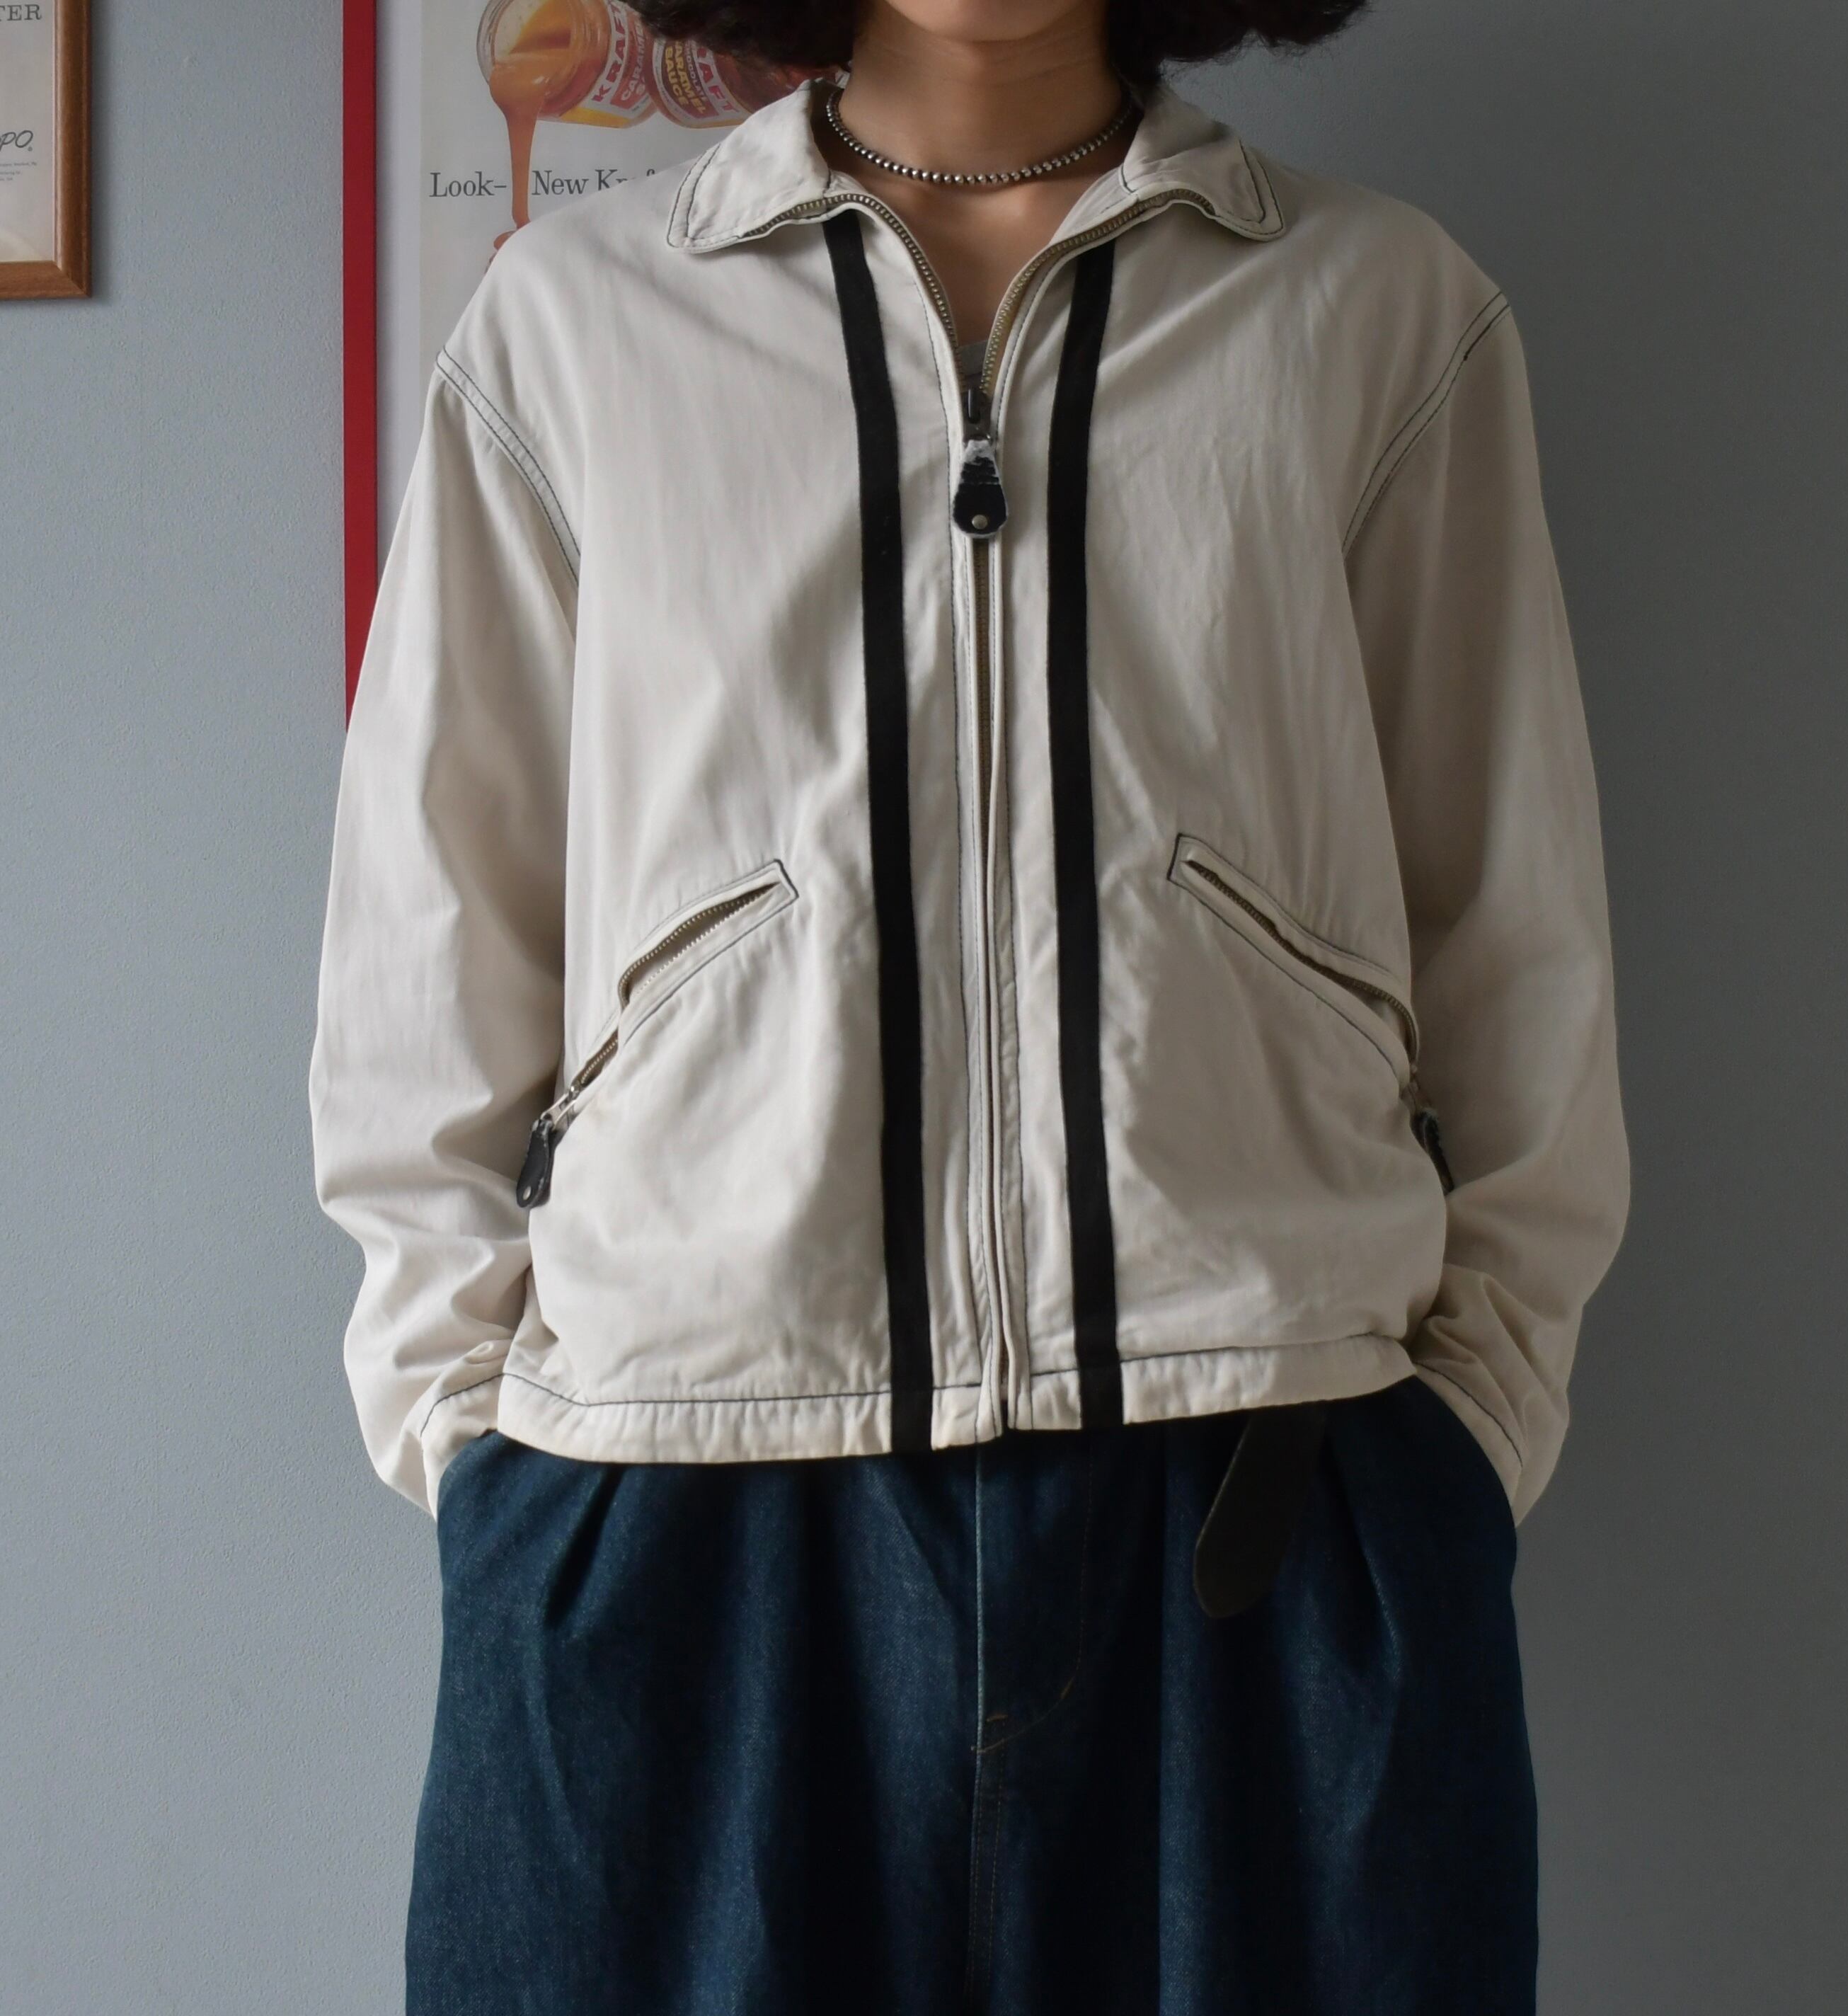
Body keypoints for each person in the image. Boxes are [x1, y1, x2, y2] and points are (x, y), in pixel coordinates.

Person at [309, 0, 1632, 2008]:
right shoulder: (574, 328)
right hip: (680, 1510)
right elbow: (432, 932)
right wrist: (478, 1449)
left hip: (1268, 1499)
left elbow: (1508, 925)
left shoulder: (1377, 312)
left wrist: (1466, 1435)